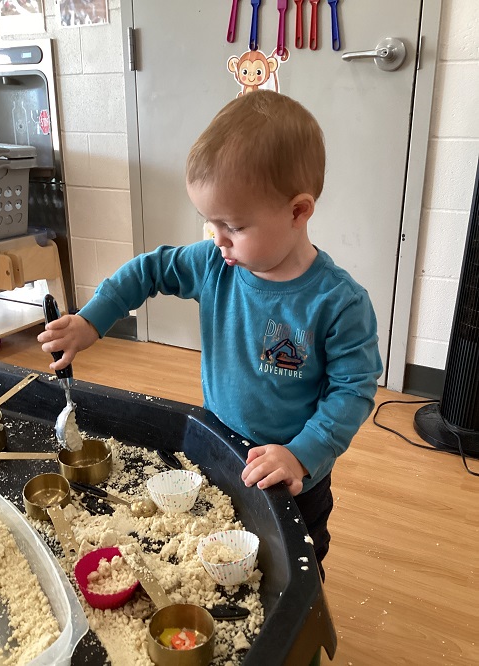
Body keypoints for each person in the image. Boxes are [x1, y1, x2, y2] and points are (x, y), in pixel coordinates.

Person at [38, 90, 383, 581]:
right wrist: (92, 320)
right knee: (233, 557)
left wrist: (301, 454)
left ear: (298, 211)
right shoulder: (215, 263)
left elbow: (353, 390)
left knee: (292, 569)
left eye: (234, 225)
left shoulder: (339, 302)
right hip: (217, 444)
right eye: (210, 221)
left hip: (294, 475)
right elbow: (147, 271)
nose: (216, 237)